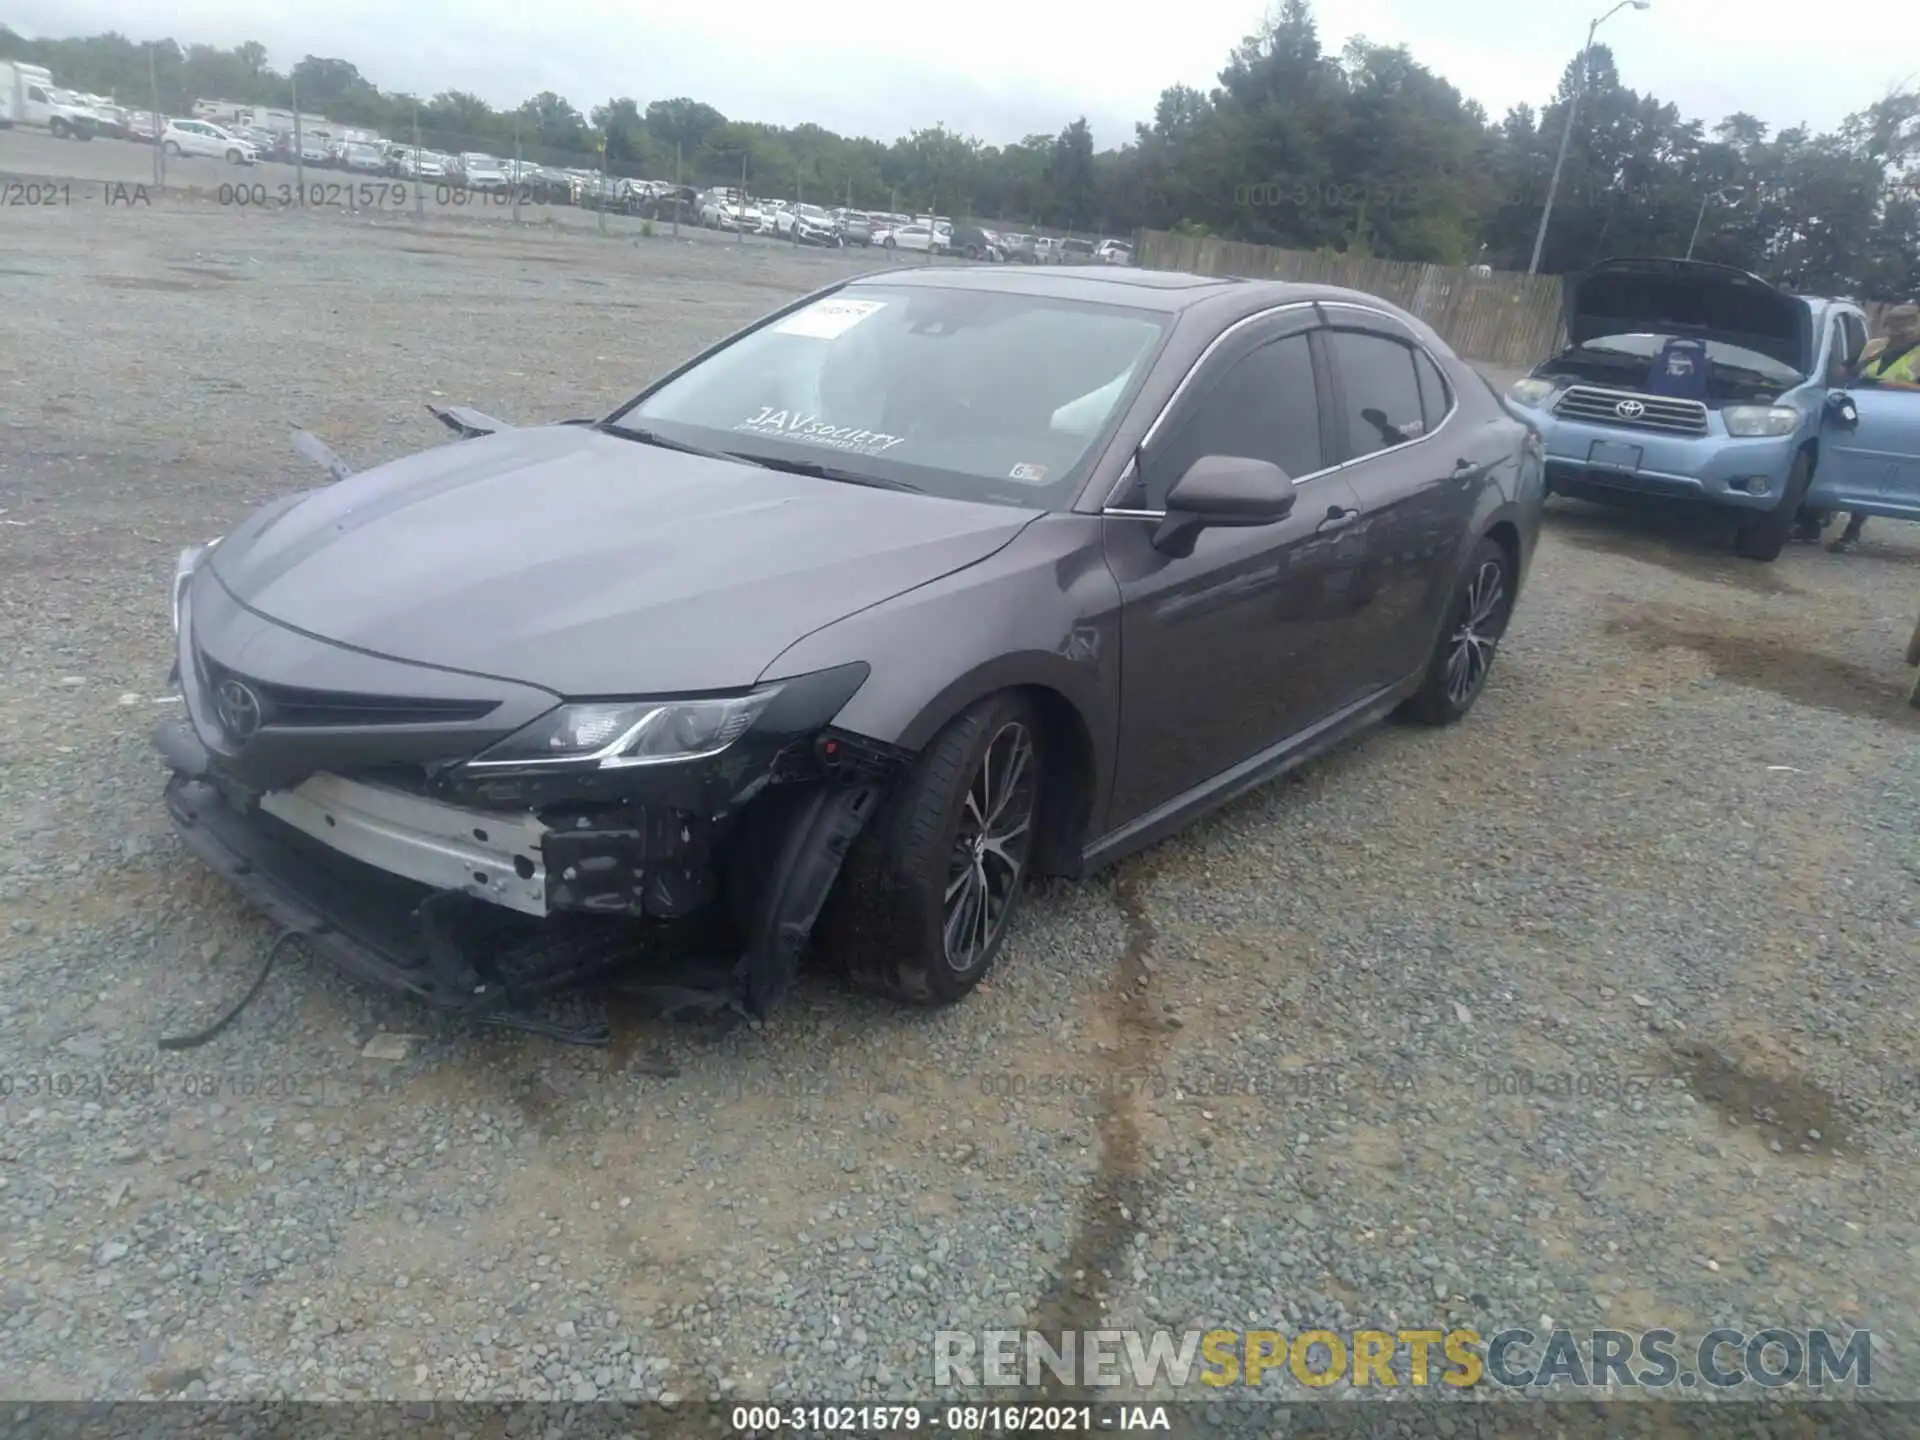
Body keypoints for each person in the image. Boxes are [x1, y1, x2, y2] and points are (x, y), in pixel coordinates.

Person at [1825, 303, 1920, 553]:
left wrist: (1895, 387)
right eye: (1894, 328)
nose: (1897, 334)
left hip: (1899, 420)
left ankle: (1852, 531)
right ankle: (1815, 519)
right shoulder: (1875, 346)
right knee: (1835, 463)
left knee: (1873, 472)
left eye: (1904, 329)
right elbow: (1847, 367)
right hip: (1858, 410)